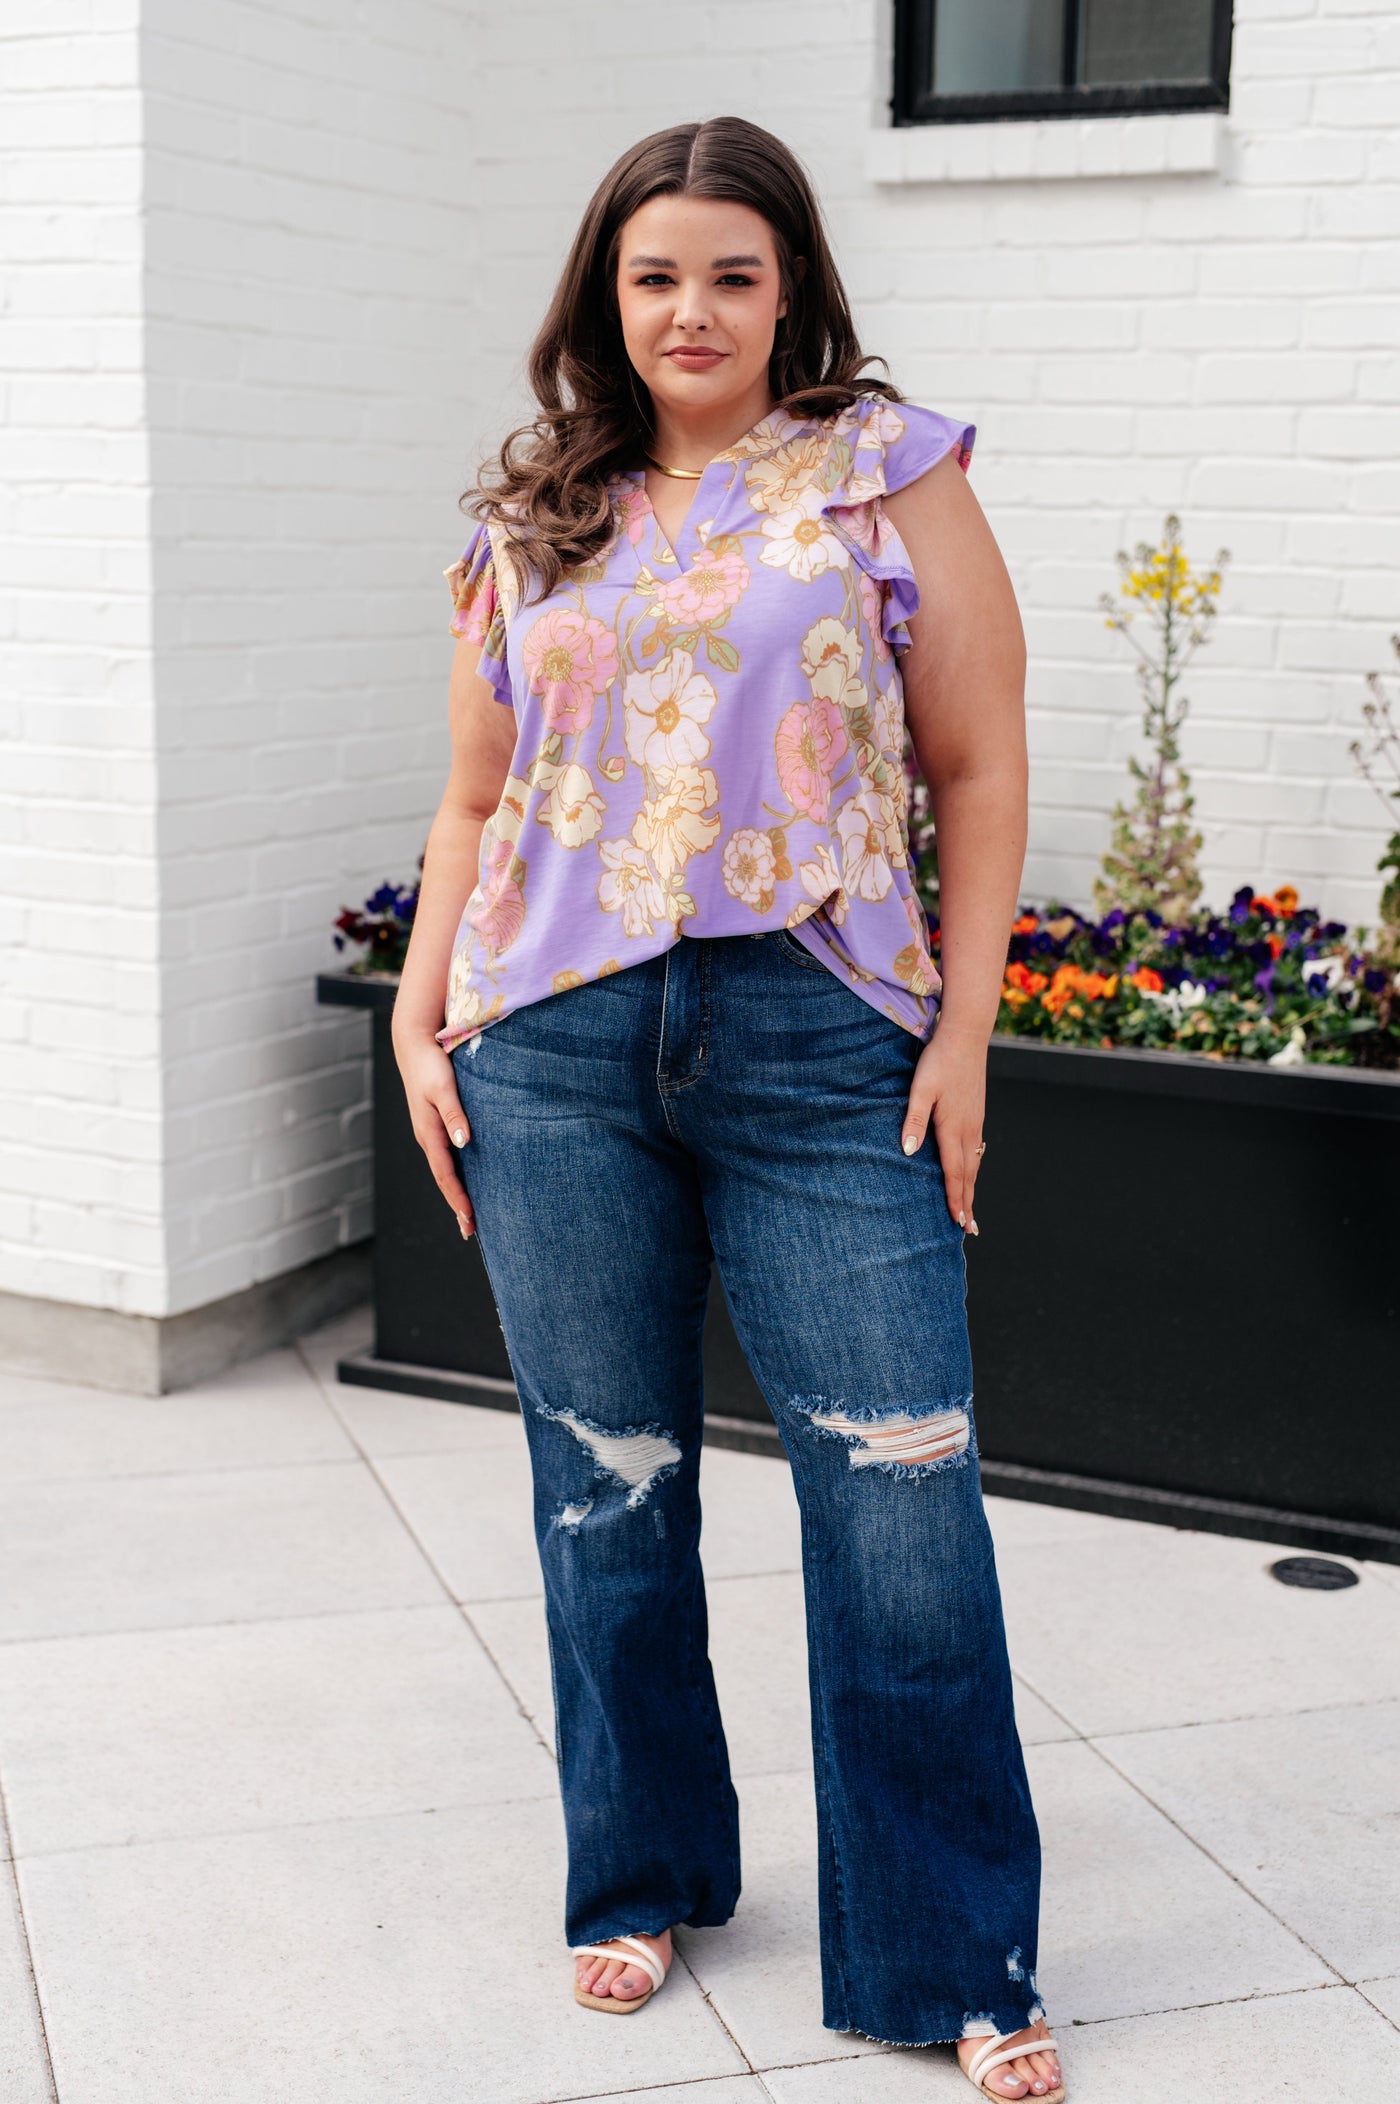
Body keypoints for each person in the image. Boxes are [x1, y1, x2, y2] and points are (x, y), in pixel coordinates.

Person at [392, 116, 1064, 2103]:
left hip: (819, 1033)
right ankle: (645, 1865)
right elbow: (472, 798)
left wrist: (964, 1036)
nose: (689, 310)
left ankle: (950, 1949)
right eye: (652, 274)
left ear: (792, 292)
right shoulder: (539, 514)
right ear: (606, 294)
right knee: (607, 1486)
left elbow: (982, 751)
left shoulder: (884, 470)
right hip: (556, 1046)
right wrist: (422, 1019)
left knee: (900, 1494)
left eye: (731, 274)